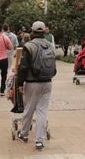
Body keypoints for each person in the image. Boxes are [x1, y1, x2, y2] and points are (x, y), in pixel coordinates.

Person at [16, 21, 55, 151]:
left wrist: (20, 83)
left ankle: (24, 134)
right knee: (42, 112)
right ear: (44, 32)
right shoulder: (50, 45)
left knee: (29, 110)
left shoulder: (29, 46)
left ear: (32, 31)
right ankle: (39, 141)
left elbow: (23, 67)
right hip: (47, 82)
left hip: (32, 83)